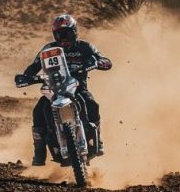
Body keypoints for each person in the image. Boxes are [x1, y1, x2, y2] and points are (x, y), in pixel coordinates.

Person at [21, 14, 112, 166]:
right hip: (54, 89)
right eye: (59, 34)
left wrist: (98, 62)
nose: (63, 38)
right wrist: (26, 77)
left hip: (78, 88)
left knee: (91, 103)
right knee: (38, 111)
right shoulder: (48, 50)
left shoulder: (85, 47)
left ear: (75, 32)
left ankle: (98, 139)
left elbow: (105, 60)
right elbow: (34, 66)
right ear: (54, 35)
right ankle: (39, 153)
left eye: (67, 34)